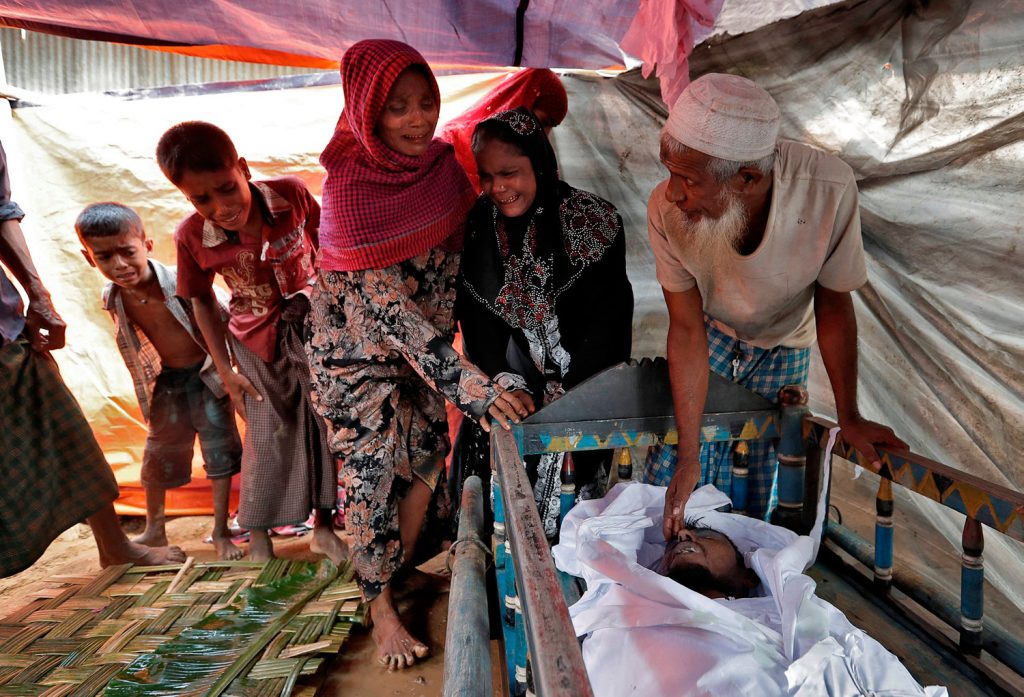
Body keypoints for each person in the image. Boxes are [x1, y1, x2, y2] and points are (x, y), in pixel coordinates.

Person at [306, 39, 529, 671]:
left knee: (430, 456)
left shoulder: (440, 171)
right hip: (354, 362)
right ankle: (378, 607)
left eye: (426, 102)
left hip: (424, 354)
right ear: (367, 111)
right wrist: (478, 390)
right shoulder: (350, 188)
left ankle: (391, 574)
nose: (416, 119)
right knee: (371, 479)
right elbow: (394, 319)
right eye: (397, 107)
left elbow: (459, 270)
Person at [646, 72, 906, 534]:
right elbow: (686, 328)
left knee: (757, 488)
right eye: (668, 172)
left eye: (686, 179)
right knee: (670, 488)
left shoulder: (827, 189)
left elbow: (833, 304)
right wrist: (689, 456)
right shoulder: (666, 211)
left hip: (786, 343)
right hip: (710, 336)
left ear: (747, 177)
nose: (672, 193)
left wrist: (850, 416)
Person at [155, 121, 346, 565]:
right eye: (201, 199)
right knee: (266, 435)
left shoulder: (292, 195)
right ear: (186, 197)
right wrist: (226, 372)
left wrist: (338, 317)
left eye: (226, 188)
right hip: (253, 343)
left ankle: (322, 527)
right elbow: (201, 301)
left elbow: (329, 246)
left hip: (316, 331)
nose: (220, 207)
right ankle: (259, 537)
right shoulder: (190, 237)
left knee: (322, 428)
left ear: (242, 169)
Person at [552, 483, 947, 697]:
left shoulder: (787, 614)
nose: (684, 534)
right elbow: (603, 531)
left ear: (747, 576)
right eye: (674, 542)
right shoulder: (636, 603)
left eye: (702, 532)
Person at [0, 141, 185, 577]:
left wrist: (38, 296)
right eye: (104, 256)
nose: (119, 264)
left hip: (2, 326)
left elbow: (2, 213)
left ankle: (114, 544)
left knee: (67, 428)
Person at [456, 107, 633, 538]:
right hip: (515, 395)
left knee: (575, 527)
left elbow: (609, 324)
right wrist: (504, 383)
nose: (498, 188)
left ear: (539, 162)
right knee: (501, 523)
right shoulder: (480, 227)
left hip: (584, 393)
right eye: (486, 176)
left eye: (509, 173)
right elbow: (476, 319)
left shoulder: (594, 222)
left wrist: (570, 398)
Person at [76, 202, 243, 561]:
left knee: (219, 453)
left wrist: (230, 371)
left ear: (147, 246)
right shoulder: (113, 296)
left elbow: (222, 316)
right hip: (167, 381)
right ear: (90, 259)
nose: (119, 265)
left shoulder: (180, 282)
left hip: (206, 376)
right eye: (104, 257)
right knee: (156, 454)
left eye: (127, 252)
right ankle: (154, 529)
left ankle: (220, 530)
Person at [440, 68, 568, 192]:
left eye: (552, 126)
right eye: (543, 122)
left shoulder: (532, 156)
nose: (545, 134)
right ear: (524, 103)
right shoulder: (451, 141)